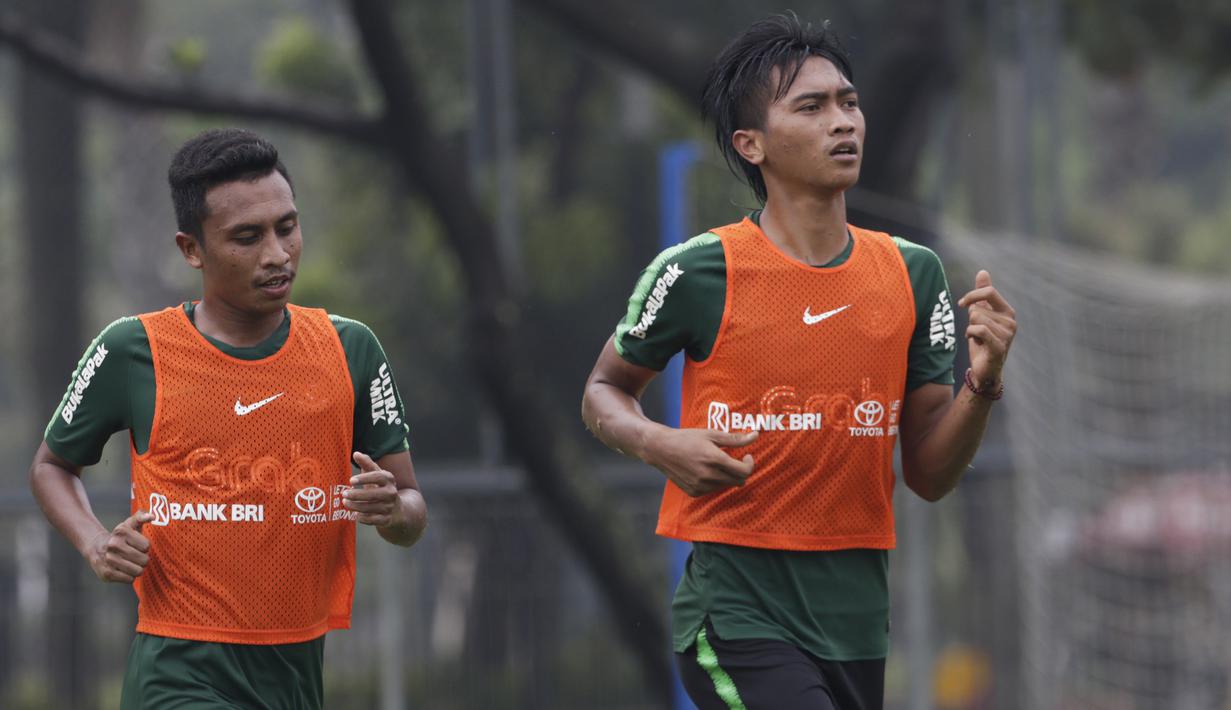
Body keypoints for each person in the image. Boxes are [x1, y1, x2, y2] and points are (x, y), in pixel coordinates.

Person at [581, 14, 1016, 710]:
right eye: (810, 108)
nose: (841, 122)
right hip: (734, 618)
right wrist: (659, 442)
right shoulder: (697, 272)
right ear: (749, 144)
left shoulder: (913, 276)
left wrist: (983, 383)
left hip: (856, 628)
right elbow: (603, 389)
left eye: (847, 102)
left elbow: (930, 473)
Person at [28, 128, 428, 709]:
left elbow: (413, 512)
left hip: (296, 673)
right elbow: (50, 466)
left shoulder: (351, 350)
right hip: (178, 673)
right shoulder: (132, 349)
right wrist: (94, 543)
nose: (276, 254)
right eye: (247, 237)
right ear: (192, 249)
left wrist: (392, 510)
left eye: (286, 227)